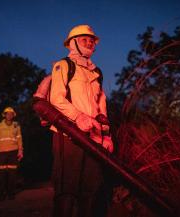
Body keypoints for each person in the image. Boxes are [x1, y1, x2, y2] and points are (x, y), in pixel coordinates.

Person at [49, 25, 114, 217]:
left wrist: (106, 135)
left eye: (92, 40)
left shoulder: (96, 72)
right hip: (68, 134)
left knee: (91, 187)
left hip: (93, 137)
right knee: (67, 188)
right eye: (84, 39)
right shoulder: (63, 66)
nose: (90, 42)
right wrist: (78, 117)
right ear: (73, 43)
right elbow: (56, 99)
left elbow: (101, 107)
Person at [0, 107, 24, 201]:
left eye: (11, 114)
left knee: (12, 175)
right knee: (1, 175)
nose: (9, 115)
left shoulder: (16, 125)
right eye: (7, 113)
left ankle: (11, 194)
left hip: (13, 151)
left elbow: (19, 139)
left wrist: (20, 150)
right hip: (1, 152)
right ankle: (0, 195)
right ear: (4, 115)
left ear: (13, 115)